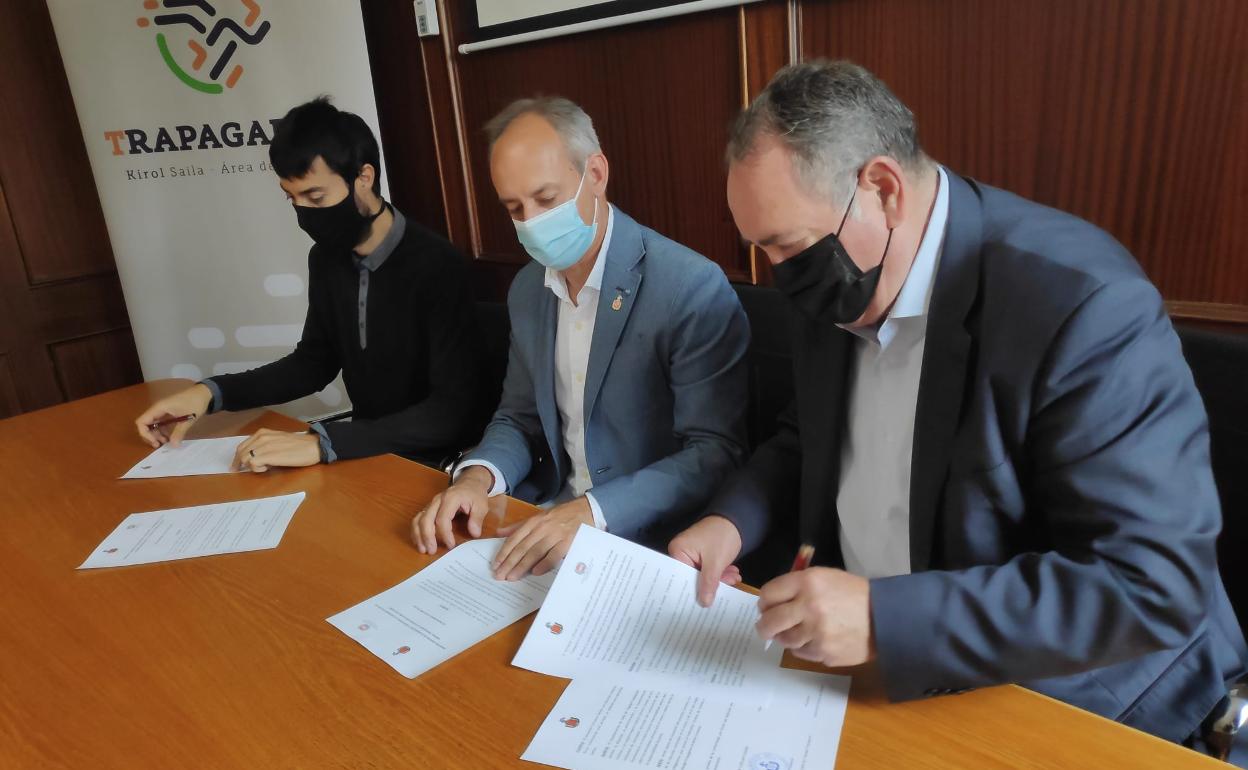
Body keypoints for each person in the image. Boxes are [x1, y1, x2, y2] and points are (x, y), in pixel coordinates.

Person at [669, 60, 1248, 754]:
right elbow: (808, 434)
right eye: (762, 252)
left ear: (882, 189)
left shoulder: (1082, 307)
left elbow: (1152, 583)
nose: (779, 278)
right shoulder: (838, 274)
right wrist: (730, 521)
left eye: (788, 248)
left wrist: (887, 620)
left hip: (1077, 701)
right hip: (870, 675)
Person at [411, 96, 750, 583]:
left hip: (647, 541)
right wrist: (476, 477)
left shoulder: (687, 286)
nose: (529, 222)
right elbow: (520, 417)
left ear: (595, 173)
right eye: (514, 207)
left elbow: (715, 453)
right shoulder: (529, 288)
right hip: (543, 519)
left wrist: (591, 511)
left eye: (546, 200)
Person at [134, 97, 484, 469]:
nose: (304, 212)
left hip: (433, 461)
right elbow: (313, 364)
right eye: (292, 198)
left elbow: (450, 413)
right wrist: (208, 393)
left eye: (315, 196)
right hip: (363, 451)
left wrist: (325, 444)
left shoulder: (438, 265)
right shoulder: (327, 258)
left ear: (364, 178)